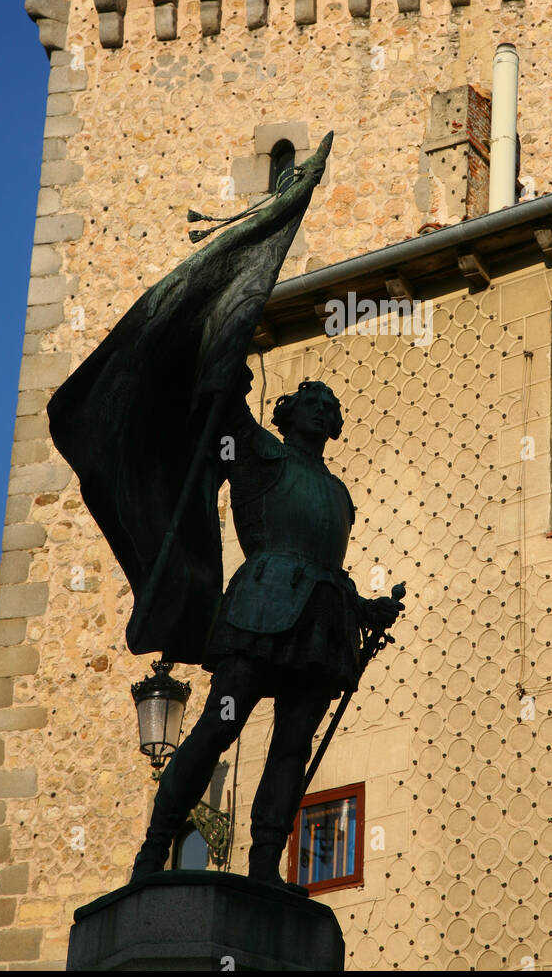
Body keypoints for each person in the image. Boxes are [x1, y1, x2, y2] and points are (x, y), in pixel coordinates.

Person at [130, 372, 403, 888]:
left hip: (323, 624)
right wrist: (233, 349)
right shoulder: (257, 454)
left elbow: (330, 566)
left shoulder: (338, 493)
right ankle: (154, 848)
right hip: (259, 609)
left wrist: (367, 609)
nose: (322, 409)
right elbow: (224, 400)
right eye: (311, 401)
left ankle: (264, 865)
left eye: (330, 404)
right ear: (288, 413)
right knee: (219, 727)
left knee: (292, 746)